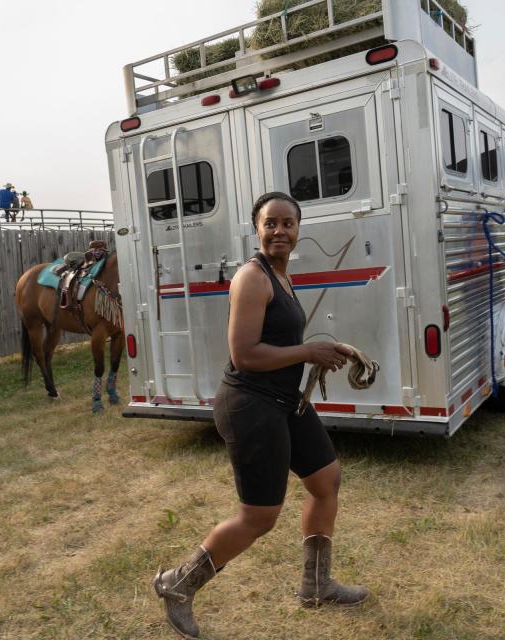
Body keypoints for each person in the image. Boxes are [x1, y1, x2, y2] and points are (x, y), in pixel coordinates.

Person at [153, 192, 368, 640]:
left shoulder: (283, 278)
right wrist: (310, 350)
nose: (280, 231)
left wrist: (328, 350)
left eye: (288, 223)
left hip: (283, 399)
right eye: (271, 223)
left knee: (325, 480)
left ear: (298, 229)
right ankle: (178, 585)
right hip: (250, 404)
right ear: (257, 229)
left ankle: (316, 584)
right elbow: (245, 354)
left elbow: (280, 344)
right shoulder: (252, 278)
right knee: (260, 516)